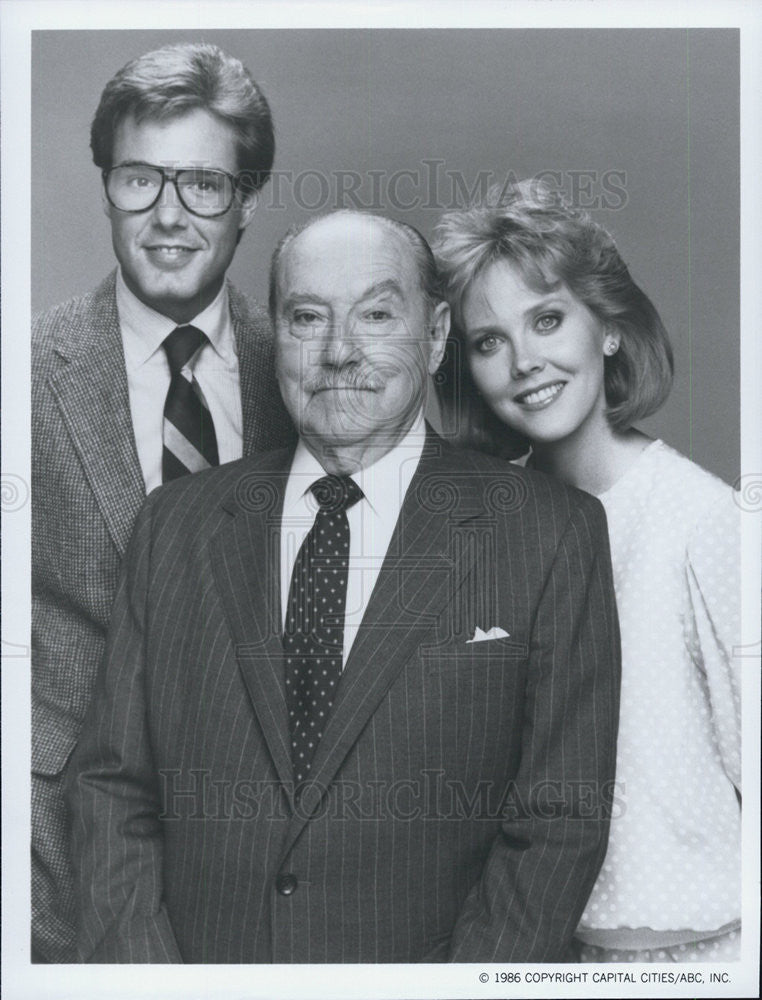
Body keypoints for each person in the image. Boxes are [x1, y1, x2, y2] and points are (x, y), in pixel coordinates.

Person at [66, 209, 621, 963]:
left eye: (377, 315)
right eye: (306, 318)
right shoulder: (177, 525)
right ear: (276, 340)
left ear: (433, 336)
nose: (338, 351)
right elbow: (110, 787)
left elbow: (558, 817)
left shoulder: (550, 533)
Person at [32, 42, 295, 962]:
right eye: (141, 179)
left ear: (249, 200)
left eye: (205, 185)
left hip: (265, 860)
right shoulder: (24, 373)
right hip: (49, 861)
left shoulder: (307, 371)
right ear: (106, 186)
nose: (170, 216)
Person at [433, 179, 742, 962]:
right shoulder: (491, 534)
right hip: (544, 957)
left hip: (704, 954)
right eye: (489, 340)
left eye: (546, 319)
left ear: (606, 326)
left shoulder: (704, 521)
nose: (524, 362)